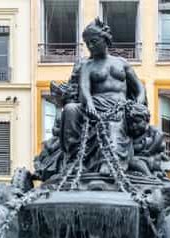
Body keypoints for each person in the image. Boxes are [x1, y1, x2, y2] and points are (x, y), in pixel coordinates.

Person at [59, 18, 147, 176]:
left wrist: (139, 102)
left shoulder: (121, 63)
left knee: (113, 125)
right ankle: (74, 159)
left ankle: (111, 163)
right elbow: (84, 88)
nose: (90, 46)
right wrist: (89, 103)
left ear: (104, 39)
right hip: (95, 104)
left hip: (118, 107)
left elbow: (139, 86)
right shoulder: (87, 65)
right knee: (70, 109)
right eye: (87, 43)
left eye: (93, 42)